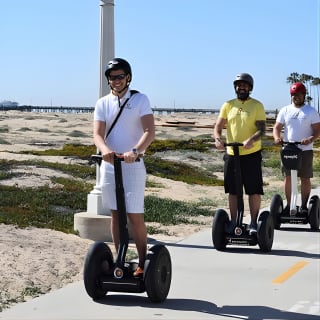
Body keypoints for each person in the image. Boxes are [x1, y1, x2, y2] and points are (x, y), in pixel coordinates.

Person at [93, 58, 155, 277]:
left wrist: (135, 151)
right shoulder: (102, 103)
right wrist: (104, 150)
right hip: (110, 164)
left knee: (134, 215)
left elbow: (149, 131)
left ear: (128, 77)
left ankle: (141, 262)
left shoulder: (140, 100)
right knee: (115, 215)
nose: (116, 81)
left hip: (133, 164)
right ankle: (119, 258)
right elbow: (98, 134)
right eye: (112, 77)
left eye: (120, 76)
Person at [213, 73, 266, 235]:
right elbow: (218, 127)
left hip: (251, 154)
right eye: (238, 85)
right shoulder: (228, 105)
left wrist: (251, 139)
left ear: (250, 87)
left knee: (253, 190)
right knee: (233, 190)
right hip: (231, 153)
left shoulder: (257, 106)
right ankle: (234, 222)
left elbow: (262, 129)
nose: (241, 87)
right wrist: (217, 139)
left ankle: (253, 223)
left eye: (244, 85)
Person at [273, 82, 320, 214]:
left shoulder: (311, 111)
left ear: (304, 95)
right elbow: (277, 128)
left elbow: (317, 130)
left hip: (305, 150)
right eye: (293, 95)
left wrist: (310, 139)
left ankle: (304, 206)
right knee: (288, 177)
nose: (296, 97)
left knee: (304, 178)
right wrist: (277, 138)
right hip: (288, 149)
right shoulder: (285, 110)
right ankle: (289, 205)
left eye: (299, 95)